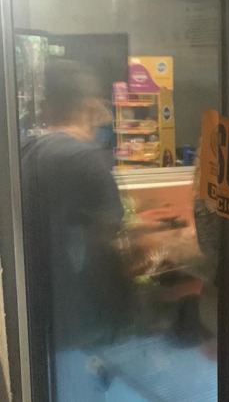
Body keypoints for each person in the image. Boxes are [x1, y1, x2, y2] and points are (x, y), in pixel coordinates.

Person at [20, 60, 131, 400]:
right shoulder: (84, 159)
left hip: (42, 320)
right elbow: (113, 243)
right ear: (89, 105)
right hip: (82, 327)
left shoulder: (26, 151)